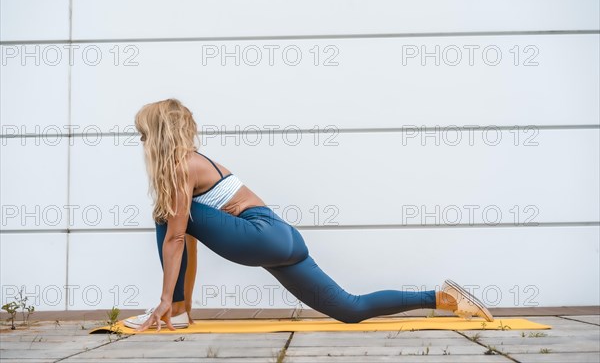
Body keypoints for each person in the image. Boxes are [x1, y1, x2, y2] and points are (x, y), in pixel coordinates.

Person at [127, 98, 494, 332]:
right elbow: (185, 238)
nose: (142, 143)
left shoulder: (181, 166)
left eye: (143, 135)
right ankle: (440, 297)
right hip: (282, 237)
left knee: (167, 217)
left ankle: (171, 308)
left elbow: (176, 238)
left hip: (261, 234)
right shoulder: (196, 163)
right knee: (350, 309)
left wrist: (165, 298)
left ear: (158, 135)